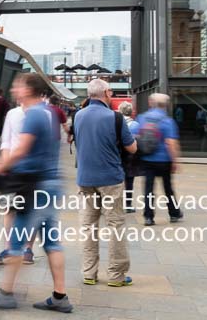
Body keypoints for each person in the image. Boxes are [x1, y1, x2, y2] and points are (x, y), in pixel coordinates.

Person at [0, 73, 72, 312]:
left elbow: (20, 151)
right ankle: (60, 297)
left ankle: (5, 294)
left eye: (17, 86)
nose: (13, 90)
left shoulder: (34, 115)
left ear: (29, 89)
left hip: (35, 187)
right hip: (51, 185)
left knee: (17, 241)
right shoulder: (49, 113)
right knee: (52, 242)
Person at [73, 79, 137, 287]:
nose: (111, 93)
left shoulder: (78, 116)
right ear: (106, 93)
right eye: (110, 90)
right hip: (110, 179)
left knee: (88, 227)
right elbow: (132, 148)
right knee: (115, 226)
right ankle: (116, 276)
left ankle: (89, 273)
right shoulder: (115, 118)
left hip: (85, 179)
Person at [0, 79, 34, 267]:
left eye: (19, 88)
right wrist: (5, 164)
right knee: (9, 209)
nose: (14, 91)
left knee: (30, 211)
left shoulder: (43, 114)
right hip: (13, 170)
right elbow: (5, 142)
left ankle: (28, 250)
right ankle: (10, 248)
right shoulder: (12, 114)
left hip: (33, 171)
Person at [137, 93, 183, 226]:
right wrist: (175, 161)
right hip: (164, 160)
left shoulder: (142, 118)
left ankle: (148, 217)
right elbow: (171, 143)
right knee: (168, 187)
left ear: (151, 103)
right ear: (166, 105)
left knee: (148, 189)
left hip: (146, 159)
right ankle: (174, 213)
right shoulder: (167, 121)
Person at [118, 102, 139, 212]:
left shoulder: (116, 122)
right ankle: (128, 204)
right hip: (130, 157)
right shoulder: (135, 125)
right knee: (129, 182)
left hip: (117, 155)